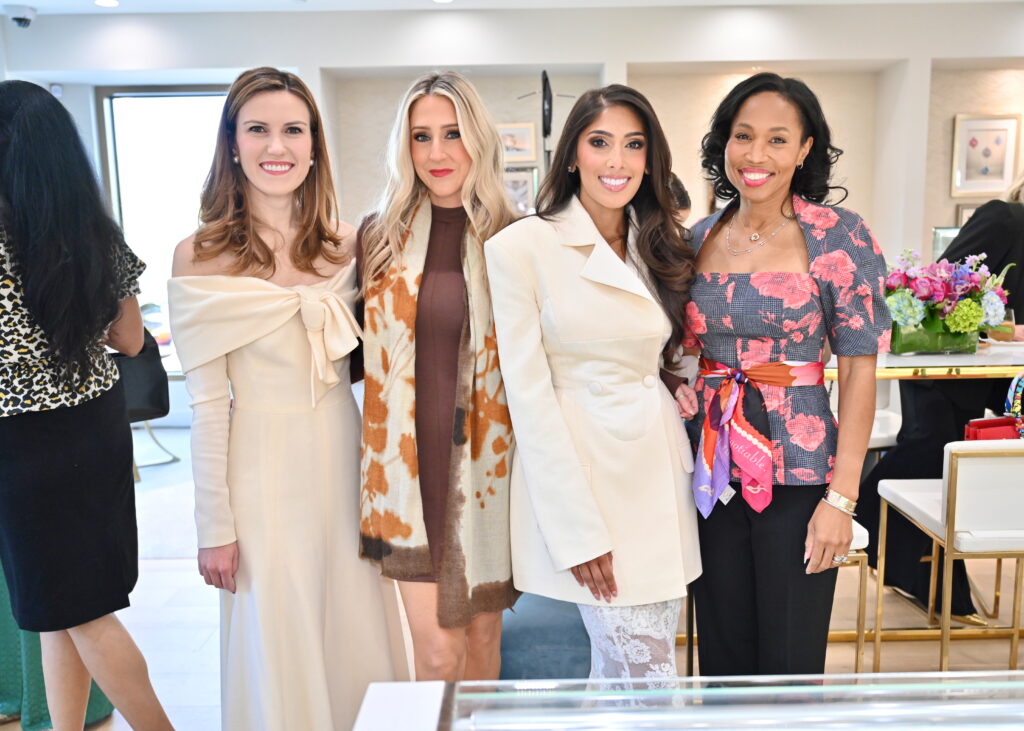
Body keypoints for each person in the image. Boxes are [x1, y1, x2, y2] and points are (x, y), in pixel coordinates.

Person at [168, 67, 393, 730]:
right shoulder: (198, 256)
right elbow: (207, 404)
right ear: (232, 144)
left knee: (356, 627)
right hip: (261, 469)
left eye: (294, 129)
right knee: (280, 631)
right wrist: (215, 527)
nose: (278, 145)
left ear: (315, 145)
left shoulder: (349, 244)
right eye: (258, 129)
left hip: (346, 458)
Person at [485, 84, 703, 683]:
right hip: (590, 486)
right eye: (600, 142)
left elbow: (664, 349)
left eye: (634, 145)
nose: (617, 161)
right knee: (647, 678)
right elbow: (527, 398)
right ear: (572, 154)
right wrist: (575, 530)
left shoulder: (656, 242)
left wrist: (682, 381)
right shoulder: (520, 247)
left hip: (658, 475)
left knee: (629, 673)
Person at [685, 72, 890, 675]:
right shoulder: (698, 237)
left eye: (778, 140)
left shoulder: (839, 237)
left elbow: (857, 372)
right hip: (711, 469)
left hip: (800, 474)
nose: (756, 155)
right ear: (724, 143)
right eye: (743, 136)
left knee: (790, 659)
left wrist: (842, 499)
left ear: (804, 151)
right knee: (722, 651)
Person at [0, 80, 173, 730]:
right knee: (62, 610)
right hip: (95, 430)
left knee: (81, 613)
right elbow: (130, 338)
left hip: (25, 444)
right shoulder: (91, 230)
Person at [356, 71, 518, 682]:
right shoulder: (377, 238)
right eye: (421, 137)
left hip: (491, 477)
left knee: (481, 647)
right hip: (405, 473)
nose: (437, 153)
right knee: (437, 654)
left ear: (478, 138)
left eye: (452, 134)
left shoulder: (516, 236)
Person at [858, 168, 1024, 620]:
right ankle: (861, 520)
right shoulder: (1006, 218)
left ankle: (919, 577)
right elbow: (942, 289)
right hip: (944, 369)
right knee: (933, 459)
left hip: (998, 382)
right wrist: (1007, 329)